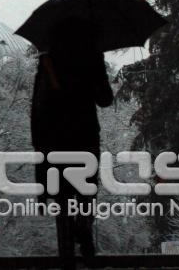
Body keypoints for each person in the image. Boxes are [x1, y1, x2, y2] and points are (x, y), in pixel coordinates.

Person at [30, 18, 113, 267]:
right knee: (86, 190)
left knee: (63, 196)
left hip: (55, 139)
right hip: (84, 135)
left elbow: (37, 107)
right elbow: (105, 99)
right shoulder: (91, 57)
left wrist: (38, 146)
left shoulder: (47, 61)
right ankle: (85, 232)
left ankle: (66, 250)